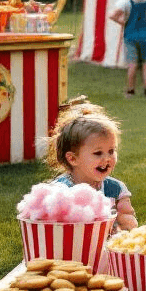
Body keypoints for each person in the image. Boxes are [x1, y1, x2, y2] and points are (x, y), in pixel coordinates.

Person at [46, 96, 137, 231]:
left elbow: (129, 221)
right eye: (98, 153)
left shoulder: (116, 189)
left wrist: (125, 218)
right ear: (73, 159)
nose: (107, 158)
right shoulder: (60, 190)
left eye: (111, 151)